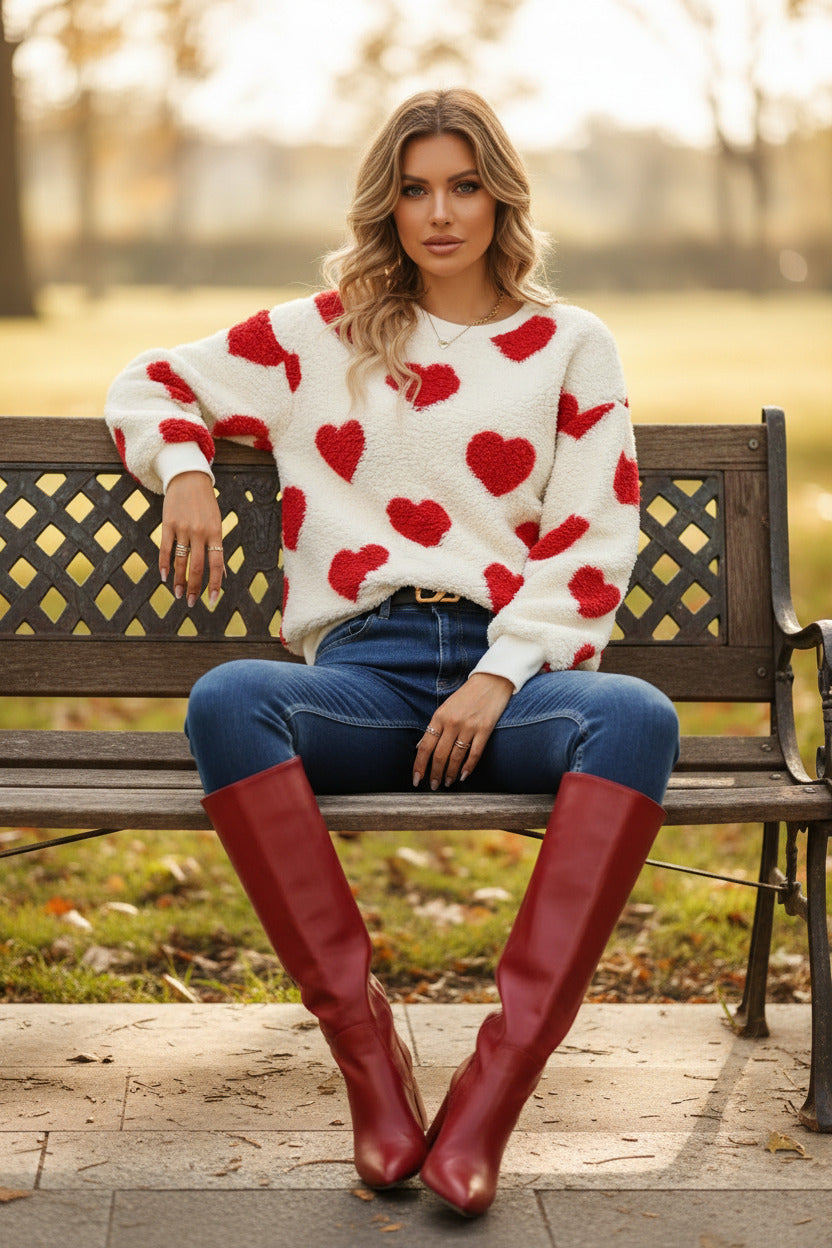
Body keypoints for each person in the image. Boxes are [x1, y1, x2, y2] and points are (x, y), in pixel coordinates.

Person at [105, 87, 680, 1217]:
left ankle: (486, 1105)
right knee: (228, 699)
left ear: (499, 195)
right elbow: (151, 379)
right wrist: (183, 469)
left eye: (463, 185)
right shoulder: (323, 334)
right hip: (360, 675)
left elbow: (592, 531)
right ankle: (371, 1064)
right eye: (415, 189)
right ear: (387, 204)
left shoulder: (569, 343)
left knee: (640, 719)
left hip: (506, 680)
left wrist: (496, 674)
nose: (440, 212)